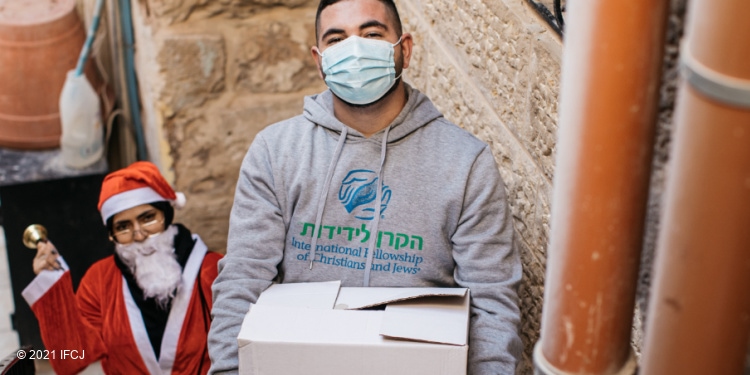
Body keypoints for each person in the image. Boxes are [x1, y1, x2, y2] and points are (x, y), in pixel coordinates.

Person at [208, 0, 522, 373]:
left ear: (403, 49)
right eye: (337, 39)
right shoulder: (276, 152)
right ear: (319, 59)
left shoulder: (465, 162)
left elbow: (491, 301)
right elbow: (244, 278)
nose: (354, 50)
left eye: (372, 34)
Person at [23, 161, 222, 375]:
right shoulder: (99, 280)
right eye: (123, 227)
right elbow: (73, 356)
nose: (139, 235)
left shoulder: (210, 269)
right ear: (111, 235)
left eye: (148, 218)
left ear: (166, 216)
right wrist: (53, 284)